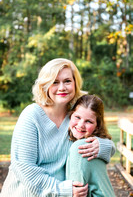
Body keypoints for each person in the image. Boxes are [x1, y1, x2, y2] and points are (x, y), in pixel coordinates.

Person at [0, 58, 115, 197]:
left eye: (67, 81)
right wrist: (61, 189)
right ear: (45, 85)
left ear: (75, 83)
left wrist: (103, 146)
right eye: (55, 82)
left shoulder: (76, 117)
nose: (62, 88)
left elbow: (101, 135)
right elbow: (24, 168)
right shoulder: (31, 116)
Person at [66, 94, 116, 197]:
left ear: (97, 126)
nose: (80, 125)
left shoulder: (81, 147)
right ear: (71, 115)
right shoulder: (96, 144)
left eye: (88, 121)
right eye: (77, 117)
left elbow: (78, 192)